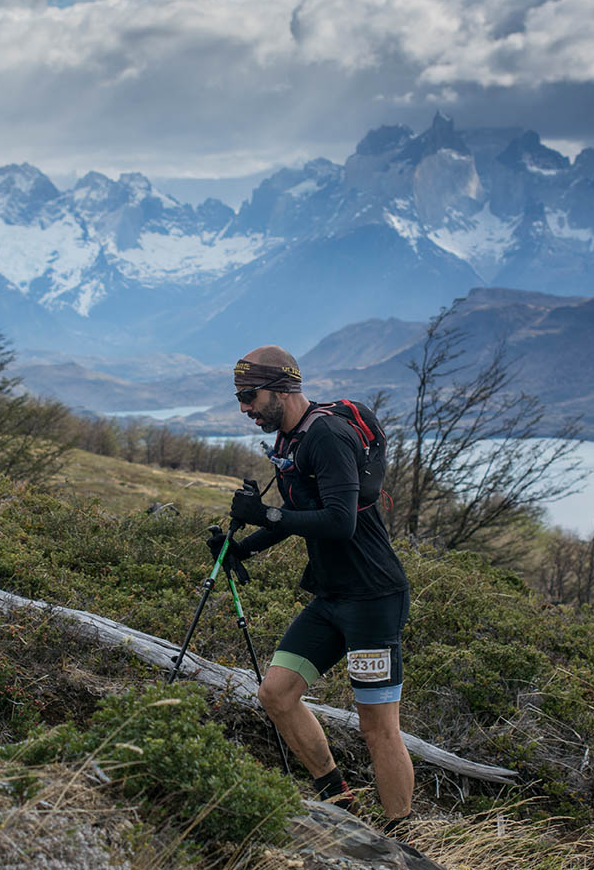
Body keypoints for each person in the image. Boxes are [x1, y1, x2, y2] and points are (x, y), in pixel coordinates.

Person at [211, 344, 413, 830]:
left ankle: (401, 839)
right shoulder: (290, 440)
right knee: (276, 695)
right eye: (239, 398)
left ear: (280, 389)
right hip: (331, 596)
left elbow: (340, 522)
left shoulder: (326, 435)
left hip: (372, 599)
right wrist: (243, 548)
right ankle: (339, 801)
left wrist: (266, 514)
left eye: (248, 396)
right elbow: (297, 514)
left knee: (377, 729)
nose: (244, 408)